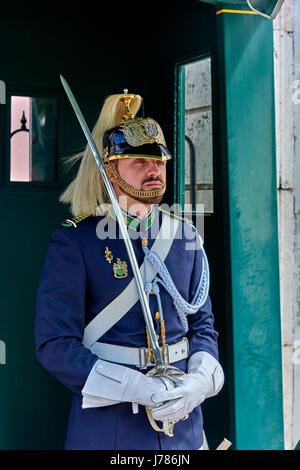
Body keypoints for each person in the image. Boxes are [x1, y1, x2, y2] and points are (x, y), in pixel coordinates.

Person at [35, 91, 224, 450]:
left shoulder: (185, 235)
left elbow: (202, 327)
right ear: (111, 169)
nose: (154, 170)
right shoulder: (76, 241)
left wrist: (201, 381)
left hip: (183, 426)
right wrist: (135, 387)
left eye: (160, 162)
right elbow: (55, 344)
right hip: (112, 429)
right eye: (140, 161)